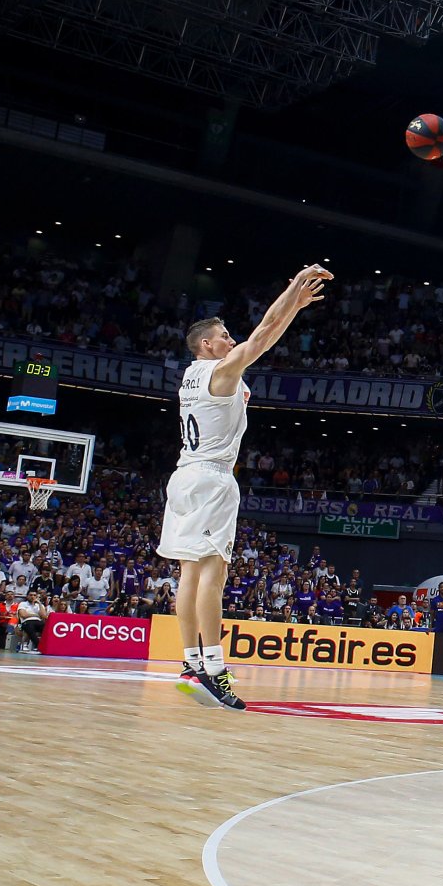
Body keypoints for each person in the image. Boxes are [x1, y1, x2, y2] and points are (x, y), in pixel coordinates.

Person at [161, 265, 330, 709]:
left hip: (183, 476)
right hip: (211, 479)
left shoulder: (191, 375)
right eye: (224, 335)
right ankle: (214, 672)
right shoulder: (220, 371)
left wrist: (293, 306)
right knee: (213, 575)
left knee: (190, 574)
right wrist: (293, 289)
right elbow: (262, 337)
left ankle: (191, 664)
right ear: (206, 345)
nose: (231, 341)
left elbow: (263, 336)